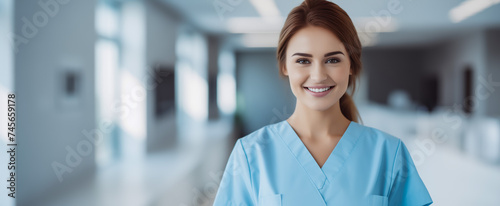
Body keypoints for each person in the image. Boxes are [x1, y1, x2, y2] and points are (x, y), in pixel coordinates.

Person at [213, 0, 433, 205]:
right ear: (284, 67)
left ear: (352, 66)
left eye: (332, 60)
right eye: (303, 61)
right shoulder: (251, 153)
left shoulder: (388, 153)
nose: (318, 75)